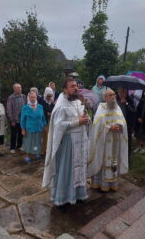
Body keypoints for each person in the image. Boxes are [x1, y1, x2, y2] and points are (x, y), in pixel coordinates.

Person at [42, 78, 89, 211]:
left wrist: (87, 119)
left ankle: (79, 195)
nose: (76, 88)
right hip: (68, 143)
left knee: (79, 169)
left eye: (76, 86)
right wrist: (77, 122)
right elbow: (58, 125)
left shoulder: (79, 103)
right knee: (66, 170)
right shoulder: (61, 105)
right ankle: (62, 200)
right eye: (72, 86)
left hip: (80, 141)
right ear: (65, 89)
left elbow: (83, 119)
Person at [88, 89, 128, 192]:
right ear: (105, 97)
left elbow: (123, 122)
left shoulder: (117, 107)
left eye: (114, 94)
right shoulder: (101, 108)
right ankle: (100, 184)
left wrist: (119, 126)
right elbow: (97, 125)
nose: (113, 97)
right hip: (104, 141)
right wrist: (109, 127)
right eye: (110, 95)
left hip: (115, 140)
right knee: (103, 160)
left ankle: (112, 184)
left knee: (114, 161)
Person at [21, 92, 46, 162]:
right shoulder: (25, 107)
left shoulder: (40, 106)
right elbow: (22, 119)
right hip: (29, 128)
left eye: (34, 97)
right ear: (28, 98)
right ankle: (27, 155)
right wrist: (23, 129)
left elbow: (43, 117)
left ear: (36, 98)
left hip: (39, 128)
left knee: (37, 141)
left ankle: (36, 153)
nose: (33, 99)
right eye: (31, 97)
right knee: (28, 142)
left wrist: (44, 126)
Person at [117, 87, 136, 163]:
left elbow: (134, 111)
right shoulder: (116, 99)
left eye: (123, 92)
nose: (121, 94)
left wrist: (126, 104)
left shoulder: (130, 100)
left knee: (127, 142)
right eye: (120, 92)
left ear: (126, 92)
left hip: (128, 125)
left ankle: (127, 160)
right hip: (118, 124)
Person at [7, 83, 27, 154]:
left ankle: (19, 146)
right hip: (14, 119)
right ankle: (12, 147)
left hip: (22, 119)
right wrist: (11, 119)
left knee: (21, 134)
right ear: (14, 89)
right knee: (13, 134)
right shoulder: (11, 98)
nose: (20, 89)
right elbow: (9, 109)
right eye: (18, 88)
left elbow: (26, 107)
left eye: (20, 87)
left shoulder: (24, 96)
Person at [41, 87, 55, 155]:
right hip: (45, 120)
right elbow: (41, 111)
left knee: (50, 135)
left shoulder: (52, 102)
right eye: (48, 96)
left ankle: (49, 149)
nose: (49, 97)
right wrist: (47, 113)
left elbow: (54, 109)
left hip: (51, 121)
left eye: (50, 95)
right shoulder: (42, 101)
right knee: (45, 135)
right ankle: (44, 150)